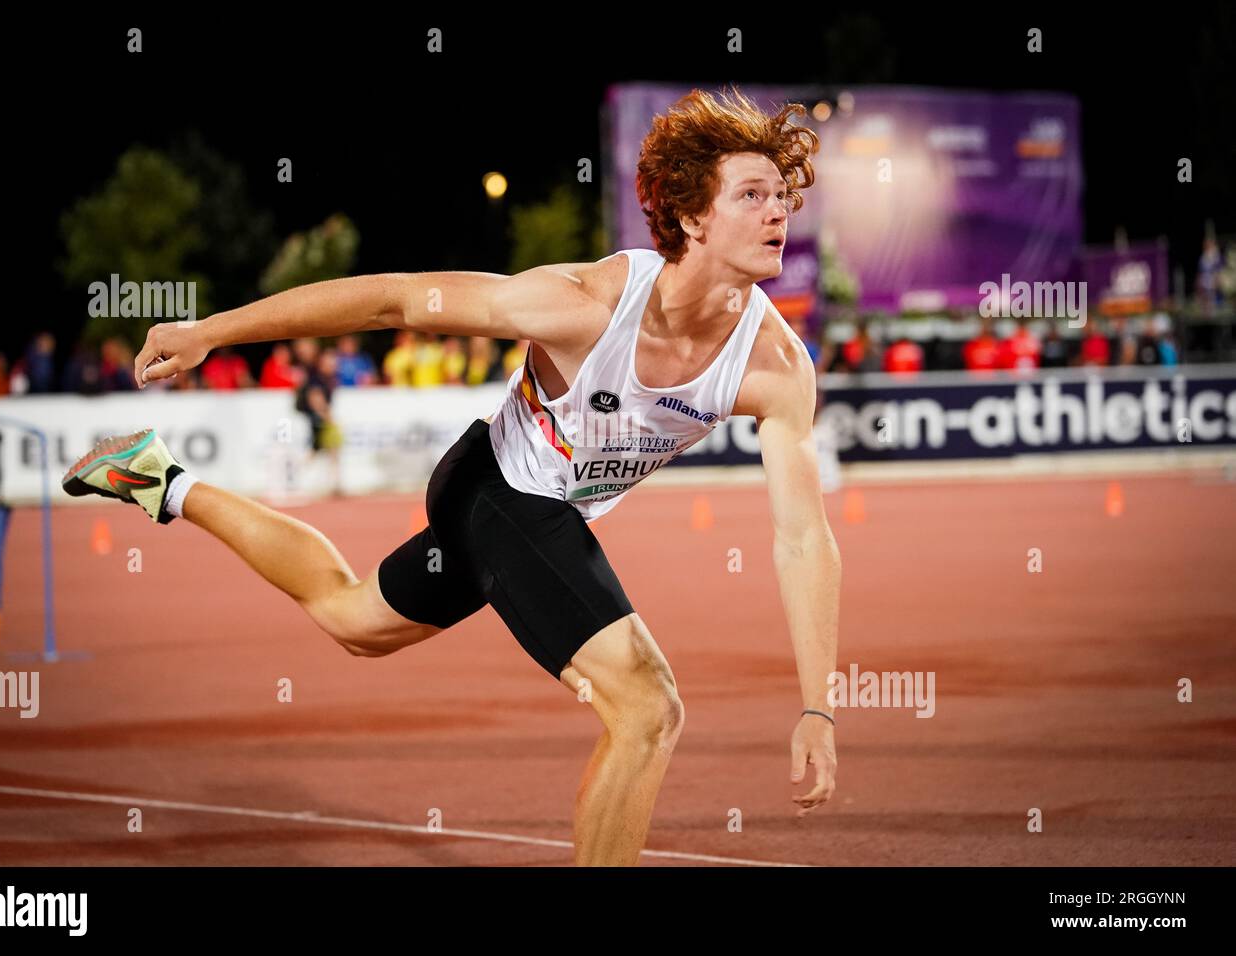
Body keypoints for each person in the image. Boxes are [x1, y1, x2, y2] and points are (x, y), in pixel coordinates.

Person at [61, 86, 840, 866]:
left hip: (532, 515)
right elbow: (395, 301)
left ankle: (158, 478)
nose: (778, 213)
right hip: (498, 492)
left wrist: (819, 708)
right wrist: (210, 332)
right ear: (693, 217)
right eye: (751, 195)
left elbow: (803, 535)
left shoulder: (774, 368)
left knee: (352, 618)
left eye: (781, 195)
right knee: (647, 708)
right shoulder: (585, 309)